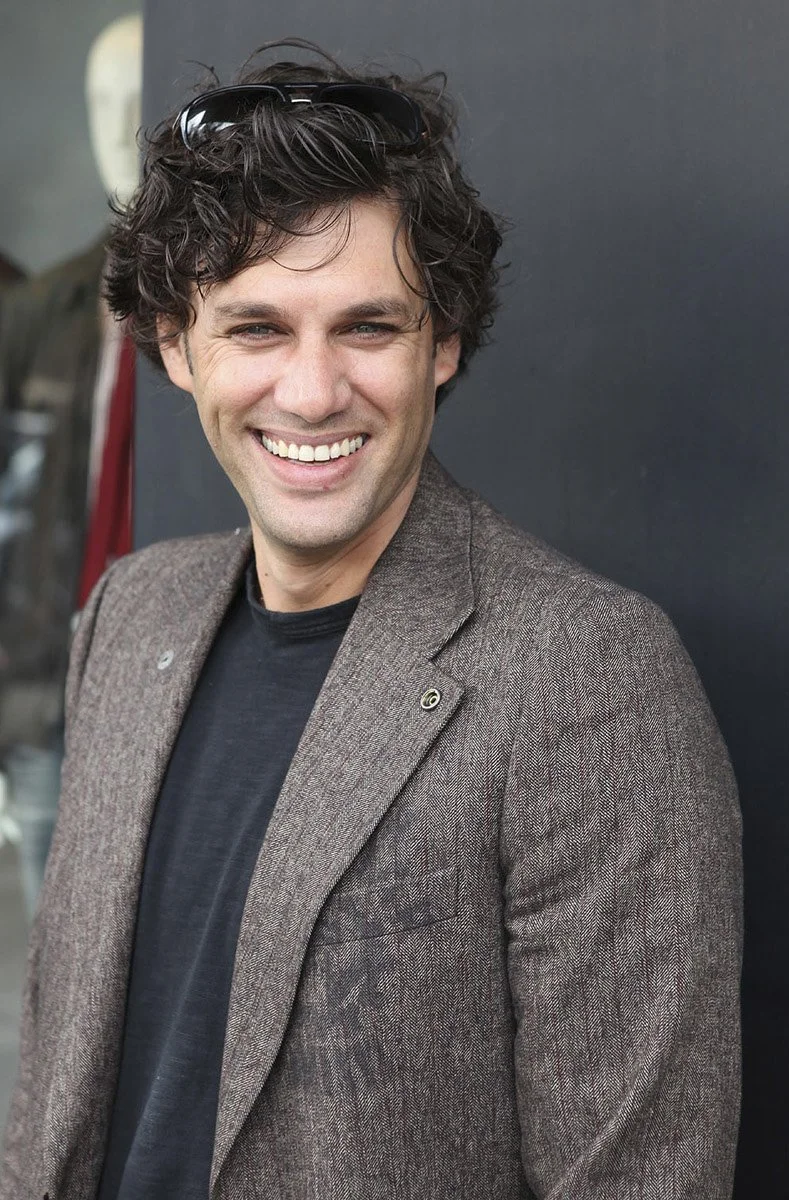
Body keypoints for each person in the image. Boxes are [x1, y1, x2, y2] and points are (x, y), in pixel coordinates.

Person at [0, 40, 743, 1200]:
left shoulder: (589, 675)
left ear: (443, 343)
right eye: (255, 329)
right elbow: (59, 1088)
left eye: (368, 327)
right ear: (173, 344)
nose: (310, 391)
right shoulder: (128, 613)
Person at [0, 13, 142, 920]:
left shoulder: (238, 312)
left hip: (173, 680)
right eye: (103, 101)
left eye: (143, 98)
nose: (124, 126)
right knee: (55, 961)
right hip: (48, 684)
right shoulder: (44, 308)